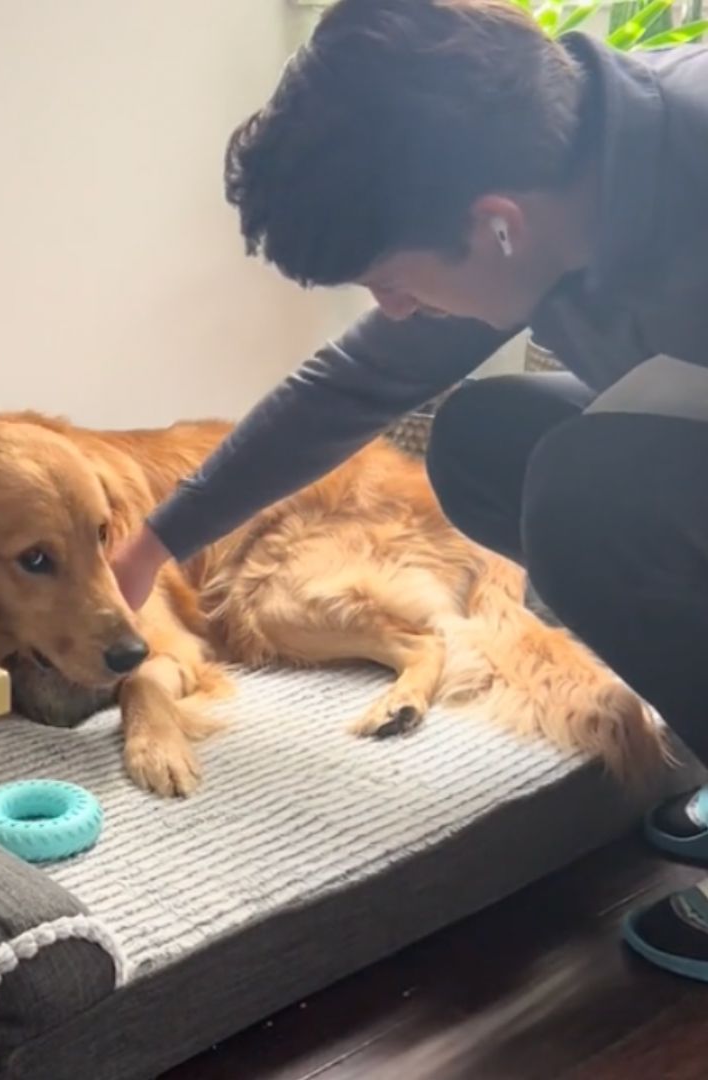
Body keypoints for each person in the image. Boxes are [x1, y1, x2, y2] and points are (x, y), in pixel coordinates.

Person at [105, 0, 708, 980]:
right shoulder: (540, 190)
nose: (392, 311)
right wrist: (148, 546)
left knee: (590, 494)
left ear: (496, 227)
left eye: (394, 283)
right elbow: (344, 390)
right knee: (484, 440)